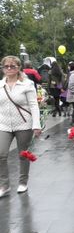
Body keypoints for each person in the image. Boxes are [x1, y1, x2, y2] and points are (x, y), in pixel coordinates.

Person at [0, 56, 42, 197]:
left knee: (23, 155)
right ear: (3, 68)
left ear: (18, 68)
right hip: (4, 124)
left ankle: (23, 182)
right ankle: (4, 185)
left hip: (23, 124)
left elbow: (34, 105)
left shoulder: (27, 84)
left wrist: (36, 125)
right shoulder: (1, 85)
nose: (9, 69)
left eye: (12, 66)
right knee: (1, 154)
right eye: (6, 66)